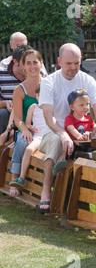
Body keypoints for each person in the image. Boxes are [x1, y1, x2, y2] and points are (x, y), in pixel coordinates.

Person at [37, 43, 96, 213]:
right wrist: (63, 134)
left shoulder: (88, 79)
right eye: (69, 63)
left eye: (76, 63)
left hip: (83, 131)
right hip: (55, 131)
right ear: (59, 61)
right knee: (56, 141)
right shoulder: (49, 82)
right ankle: (46, 192)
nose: (73, 67)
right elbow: (49, 117)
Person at [9, 48, 45, 197]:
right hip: (27, 127)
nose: (32, 66)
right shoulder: (19, 89)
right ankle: (15, 180)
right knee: (23, 142)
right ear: (23, 66)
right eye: (28, 63)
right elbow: (17, 117)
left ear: (41, 63)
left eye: (35, 62)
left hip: (45, 128)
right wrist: (24, 129)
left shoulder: (49, 85)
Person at [9, 84, 54, 193]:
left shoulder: (52, 107)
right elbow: (28, 123)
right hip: (38, 136)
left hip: (49, 136)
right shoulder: (33, 107)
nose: (41, 98)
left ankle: (50, 184)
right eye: (39, 95)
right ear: (36, 96)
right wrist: (31, 127)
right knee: (28, 149)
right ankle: (21, 178)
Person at [0, 44, 31, 137]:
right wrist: (5, 103)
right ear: (15, 62)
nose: (29, 66)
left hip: (30, 111)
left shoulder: (36, 73)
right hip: (8, 113)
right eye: (25, 62)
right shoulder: (1, 74)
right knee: (2, 113)